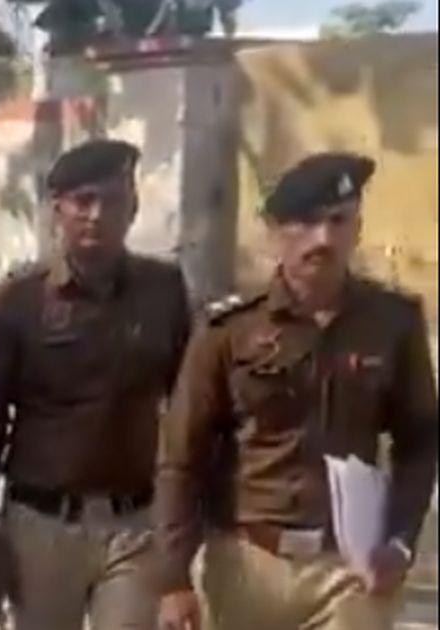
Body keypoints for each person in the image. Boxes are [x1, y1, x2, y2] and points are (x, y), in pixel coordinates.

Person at [155, 152, 439, 630]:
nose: (323, 239)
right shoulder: (229, 330)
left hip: (349, 569)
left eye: (338, 222)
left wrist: (399, 543)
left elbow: (421, 441)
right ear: (275, 233)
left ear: (357, 229)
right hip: (247, 561)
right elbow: (182, 455)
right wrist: (174, 577)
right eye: (306, 224)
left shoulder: (394, 321)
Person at [0, 139, 190, 630]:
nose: (96, 215)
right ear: (57, 209)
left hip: (134, 522)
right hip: (43, 526)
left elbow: (188, 410)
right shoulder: (15, 304)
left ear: (132, 209)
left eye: (112, 201)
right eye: (83, 201)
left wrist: (185, 522)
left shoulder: (164, 291)